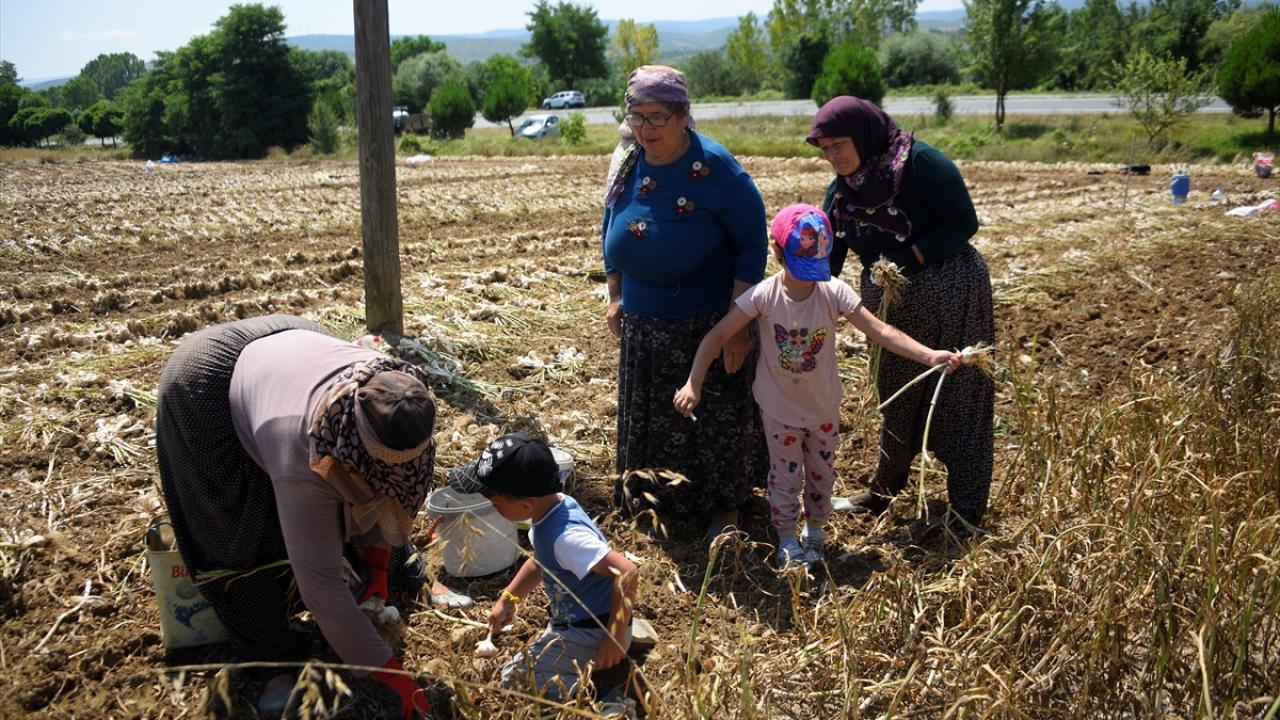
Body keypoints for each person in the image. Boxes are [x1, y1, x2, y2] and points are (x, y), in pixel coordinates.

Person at [154, 315, 435, 719]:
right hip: (208, 383)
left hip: (295, 344)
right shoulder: (306, 452)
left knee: (360, 500)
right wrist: (391, 676)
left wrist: (377, 561)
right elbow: (320, 582)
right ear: (356, 446)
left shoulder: (405, 398)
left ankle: (375, 588)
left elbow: (385, 495)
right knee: (239, 538)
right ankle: (272, 662)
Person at [674, 205, 962, 568]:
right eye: (800, 267)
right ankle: (786, 537)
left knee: (822, 474)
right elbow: (717, 336)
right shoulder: (764, 296)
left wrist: (929, 356)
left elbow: (881, 331)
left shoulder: (833, 291)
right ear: (777, 251)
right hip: (779, 410)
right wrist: (693, 383)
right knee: (785, 478)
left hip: (823, 408)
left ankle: (815, 530)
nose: (808, 278)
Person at [808, 96, 996, 531]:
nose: (833, 156)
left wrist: (907, 259)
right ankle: (883, 490)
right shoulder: (842, 191)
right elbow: (829, 257)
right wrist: (802, 297)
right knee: (895, 395)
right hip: (891, 313)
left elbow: (963, 221)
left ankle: (965, 510)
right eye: (825, 149)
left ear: (864, 135)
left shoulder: (920, 163)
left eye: (840, 144)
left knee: (957, 394)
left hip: (952, 296)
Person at [600, 64, 768, 540]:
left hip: (707, 322)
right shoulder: (628, 161)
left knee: (714, 420)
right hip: (644, 323)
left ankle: (723, 507)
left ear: (684, 114)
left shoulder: (716, 168)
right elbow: (609, 222)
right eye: (637, 117)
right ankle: (656, 501)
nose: (646, 128)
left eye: (658, 117)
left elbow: (752, 244)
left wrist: (738, 325)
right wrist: (615, 292)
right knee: (654, 418)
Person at [449, 433, 640, 704]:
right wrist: (508, 598)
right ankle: (624, 640)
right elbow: (541, 562)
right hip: (583, 623)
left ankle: (602, 696)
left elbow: (627, 572)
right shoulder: (553, 506)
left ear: (525, 505)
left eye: (496, 504)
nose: (494, 509)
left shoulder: (565, 537)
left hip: (591, 632)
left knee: (515, 677)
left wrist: (614, 636)